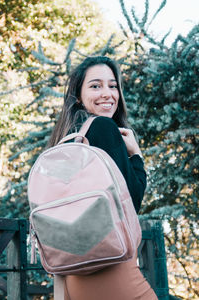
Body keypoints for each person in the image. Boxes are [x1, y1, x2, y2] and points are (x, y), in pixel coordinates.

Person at [48, 56, 157, 300]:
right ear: (78, 95)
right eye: (96, 86)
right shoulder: (103, 128)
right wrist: (136, 155)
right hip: (109, 265)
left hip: (72, 271)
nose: (107, 93)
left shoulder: (66, 140)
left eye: (113, 85)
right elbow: (132, 202)